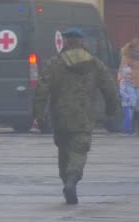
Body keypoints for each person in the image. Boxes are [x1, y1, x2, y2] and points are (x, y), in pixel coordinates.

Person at [33, 27, 120, 205]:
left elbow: (42, 89)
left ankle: (67, 182)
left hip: (60, 118)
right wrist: (111, 111)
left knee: (64, 153)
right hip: (84, 118)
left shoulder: (54, 63)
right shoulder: (95, 64)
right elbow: (110, 89)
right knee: (79, 152)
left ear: (65, 42)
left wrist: (38, 115)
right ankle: (72, 181)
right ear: (82, 42)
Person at [120, 66, 137, 134]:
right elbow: (122, 92)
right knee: (127, 117)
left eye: (130, 74)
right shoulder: (123, 82)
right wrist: (127, 98)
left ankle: (128, 129)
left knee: (131, 117)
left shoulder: (131, 82)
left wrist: (134, 99)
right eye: (127, 74)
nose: (129, 76)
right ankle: (126, 129)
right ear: (124, 74)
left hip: (132, 103)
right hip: (126, 103)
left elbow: (133, 92)